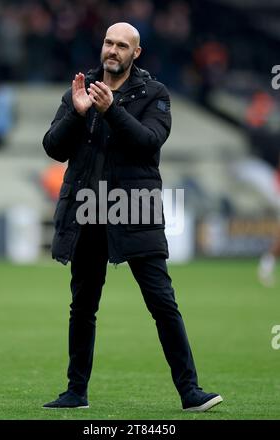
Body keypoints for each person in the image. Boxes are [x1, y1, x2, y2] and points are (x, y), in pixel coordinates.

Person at [42, 22, 223, 412]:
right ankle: (76, 392)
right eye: (108, 42)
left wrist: (111, 110)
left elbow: (148, 142)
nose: (113, 50)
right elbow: (53, 148)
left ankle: (190, 392)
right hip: (87, 206)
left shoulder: (154, 93)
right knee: (83, 305)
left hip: (135, 209)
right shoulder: (81, 89)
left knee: (161, 301)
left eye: (122, 45)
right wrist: (77, 114)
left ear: (135, 53)